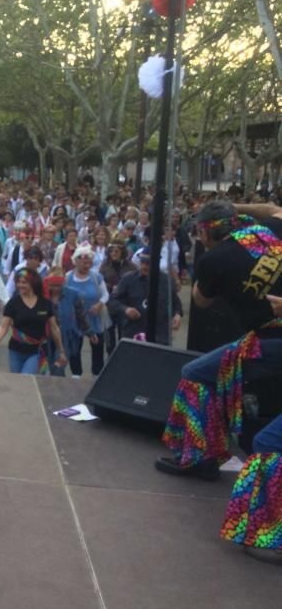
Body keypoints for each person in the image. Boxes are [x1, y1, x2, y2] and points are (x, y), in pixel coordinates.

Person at [156, 201, 282, 565]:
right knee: (197, 373)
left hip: (269, 344)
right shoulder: (270, 229)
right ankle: (203, 457)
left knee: (269, 443)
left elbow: (201, 301)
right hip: (264, 341)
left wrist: (209, 263)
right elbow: (273, 206)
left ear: (206, 231)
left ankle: (269, 529)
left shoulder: (214, 259)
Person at [0, 269, 67, 375]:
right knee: (18, 382)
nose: (20, 285)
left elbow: (54, 328)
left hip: (37, 350)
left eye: (24, 282)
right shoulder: (13, 303)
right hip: (16, 350)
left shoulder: (45, 303)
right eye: (18, 282)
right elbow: (3, 327)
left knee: (26, 377)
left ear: (33, 283)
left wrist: (61, 351)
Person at [107, 248, 182, 344]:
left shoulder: (166, 281)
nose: (144, 266)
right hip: (134, 334)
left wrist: (177, 314)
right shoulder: (128, 279)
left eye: (148, 263)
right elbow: (112, 300)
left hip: (160, 335)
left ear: (157, 263)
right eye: (142, 262)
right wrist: (126, 309)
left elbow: (175, 302)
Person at [58, 245, 109, 377]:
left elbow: (105, 294)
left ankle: (96, 375)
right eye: (83, 261)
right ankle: (76, 375)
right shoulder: (68, 277)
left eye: (88, 262)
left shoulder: (96, 277)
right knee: (75, 348)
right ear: (76, 261)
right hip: (75, 320)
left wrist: (99, 304)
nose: (86, 264)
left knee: (97, 348)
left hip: (95, 318)